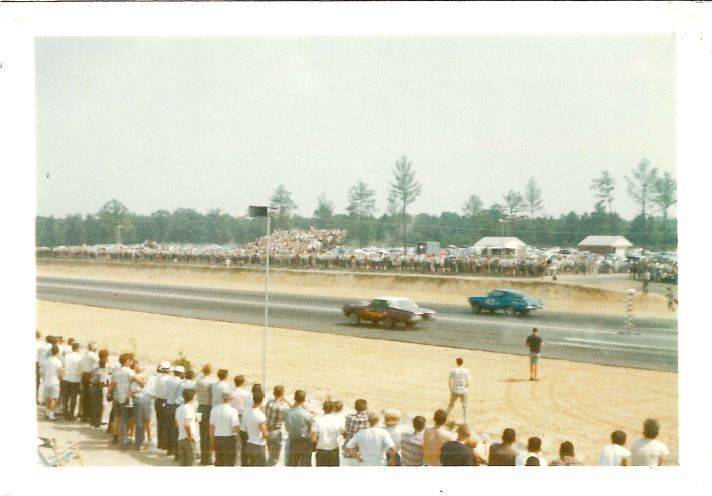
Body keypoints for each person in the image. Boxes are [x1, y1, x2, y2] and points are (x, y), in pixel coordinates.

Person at [108, 354, 145, 451]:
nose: (132, 362)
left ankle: (118, 439)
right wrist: (143, 383)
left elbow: (113, 384)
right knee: (127, 420)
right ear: (127, 361)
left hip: (117, 397)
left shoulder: (116, 371)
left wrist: (108, 393)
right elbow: (139, 381)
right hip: (127, 398)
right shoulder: (129, 371)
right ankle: (125, 441)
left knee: (118, 418)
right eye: (130, 360)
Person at [210, 391, 240, 466]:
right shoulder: (233, 411)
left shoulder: (214, 409)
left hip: (217, 438)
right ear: (231, 399)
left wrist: (212, 441)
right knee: (229, 463)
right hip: (229, 439)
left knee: (219, 462)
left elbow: (211, 427)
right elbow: (235, 428)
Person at [284, 389, 313, 466]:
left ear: (294, 398)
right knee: (305, 465)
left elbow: (286, 428)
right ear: (304, 400)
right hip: (305, 442)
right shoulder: (307, 415)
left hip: (293, 441)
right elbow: (310, 430)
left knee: (293, 465)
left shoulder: (287, 413)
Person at [264, 385, 292, 466]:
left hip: (267, 430)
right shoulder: (282, 407)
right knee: (274, 458)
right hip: (275, 432)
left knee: (270, 454)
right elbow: (294, 409)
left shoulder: (269, 402)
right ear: (282, 394)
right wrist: (287, 401)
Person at [312, 399, 345, 467]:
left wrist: (315, 446)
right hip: (334, 450)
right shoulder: (338, 420)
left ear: (323, 409)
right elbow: (345, 434)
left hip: (321, 451)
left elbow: (314, 439)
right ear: (333, 409)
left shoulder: (317, 420)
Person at [195, 363, 216, 465]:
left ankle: (204, 458)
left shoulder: (198, 380)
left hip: (200, 408)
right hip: (208, 408)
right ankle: (208, 458)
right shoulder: (212, 382)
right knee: (209, 434)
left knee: (202, 433)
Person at [164, 365, 186, 457]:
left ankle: (169, 449)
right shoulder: (181, 383)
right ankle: (176, 450)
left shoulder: (168, 380)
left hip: (168, 405)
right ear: (181, 373)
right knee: (176, 429)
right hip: (176, 406)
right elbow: (181, 397)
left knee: (169, 428)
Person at [242, 390, 268, 466]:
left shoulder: (246, 412)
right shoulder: (260, 415)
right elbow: (264, 434)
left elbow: (244, 429)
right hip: (258, 445)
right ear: (262, 400)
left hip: (249, 444)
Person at [175, 389, 199, 466]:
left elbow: (176, 424)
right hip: (188, 439)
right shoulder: (190, 408)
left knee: (183, 464)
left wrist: (194, 420)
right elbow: (186, 424)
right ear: (193, 398)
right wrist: (190, 436)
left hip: (180, 438)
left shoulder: (179, 408)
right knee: (191, 463)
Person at [132, 363, 153, 450]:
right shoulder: (138, 376)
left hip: (139, 399)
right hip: (143, 399)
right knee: (144, 421)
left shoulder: (137, 376)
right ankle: (140, 442)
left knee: (140, 421)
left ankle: (140, 442)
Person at [230, 375, 251, 464]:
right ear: (242, 382)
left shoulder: (231, 392)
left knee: (234, 440)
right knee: (243, 440)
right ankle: (242, 461)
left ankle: (235, 460)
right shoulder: (246, 393)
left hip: (233, 417)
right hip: (242, 417)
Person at [342, 399, 369, 466]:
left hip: (348, 450)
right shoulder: (368, 419)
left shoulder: (349, 417)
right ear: (366, 408)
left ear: (355, 408)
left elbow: (346, 431)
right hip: (361, 452)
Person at [88, 349, 110, 428]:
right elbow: (100, 379)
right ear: (103, 357)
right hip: (97, 387)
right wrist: (105, 384)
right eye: (106, 357)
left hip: (96, 387)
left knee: (95, 405)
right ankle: (96, 423)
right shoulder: (99, 366)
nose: (107, 358)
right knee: (98, 406)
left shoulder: (97, 364)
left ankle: (94, 422)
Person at [61, 342, 82, 420]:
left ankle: (65, 413)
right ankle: (71, 415)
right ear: (77, 348)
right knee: (73, 398)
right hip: (75, 379)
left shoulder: (67, 356)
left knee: (66, 398)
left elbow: (63, 366)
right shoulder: (79, 357)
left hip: (66, 378)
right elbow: (81, 369)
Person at [154, 362, 172, 451]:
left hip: (158, 401)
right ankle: (165, 444)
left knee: (159, 422)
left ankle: (160, 443)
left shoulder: (158, 378)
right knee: (166, 423)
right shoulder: (169, 379)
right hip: (165, 401)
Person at [79, 341, 99, 423]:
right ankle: (89, 417)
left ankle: (84, 416)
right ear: (94, 348)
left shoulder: (85, 354)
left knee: (85, 397)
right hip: (90, 376)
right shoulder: (93, 355)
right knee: (91, 398)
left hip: (84, 376)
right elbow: (99, 364)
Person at [42, 344, 63, 420]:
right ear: (58, 352)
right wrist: (60, 379)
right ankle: (51, 415)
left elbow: (43, 371)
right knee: (54, 399)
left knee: (47, 398)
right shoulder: (58, 361)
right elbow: (60, 373)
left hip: (47, 381)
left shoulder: (47, 360)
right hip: (54, 382)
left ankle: (47, 413)